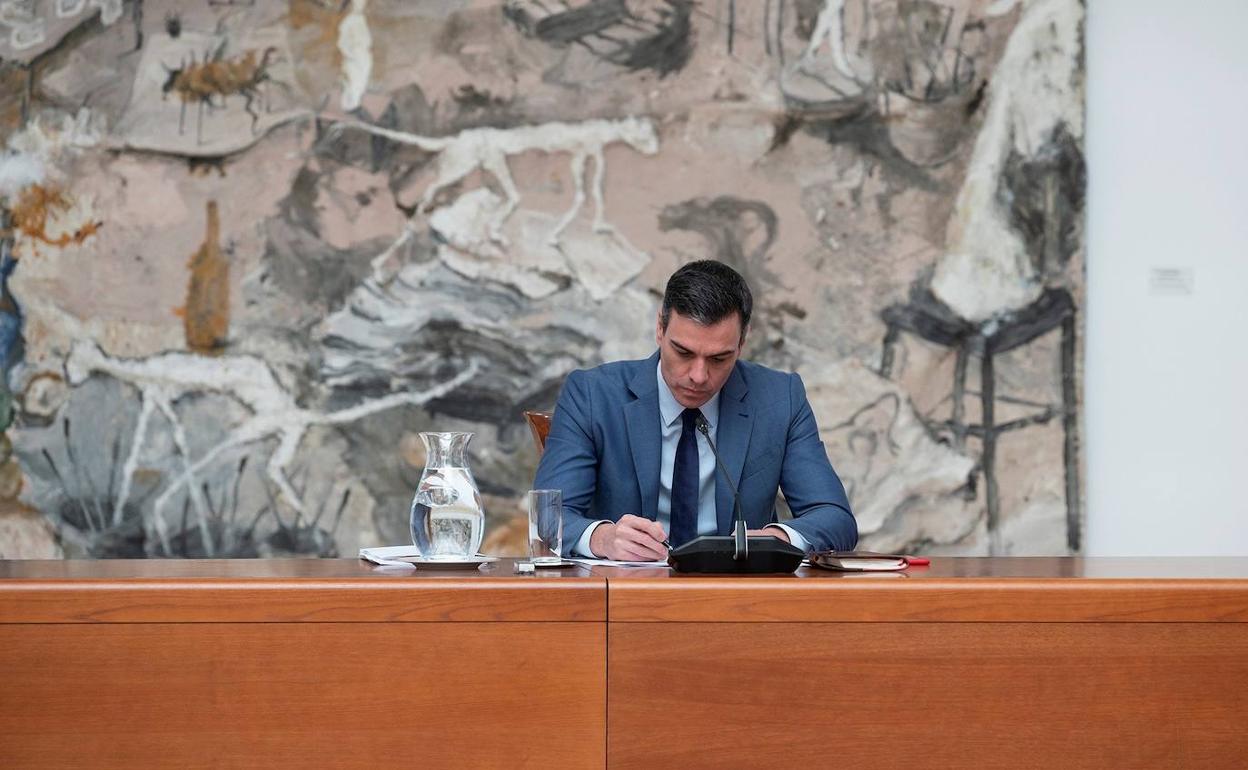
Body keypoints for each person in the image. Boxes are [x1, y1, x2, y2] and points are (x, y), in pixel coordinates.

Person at [533, 260, 857, 561]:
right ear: (660, 329)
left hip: (738, 600)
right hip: (625, 598)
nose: (699, 376)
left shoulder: (779, 398)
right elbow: (548, 518)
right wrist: (602, 538)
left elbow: (835, 518)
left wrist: (778, 537)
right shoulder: (593, 394)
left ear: (742, 344)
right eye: (683, 352)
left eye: (719, 359)